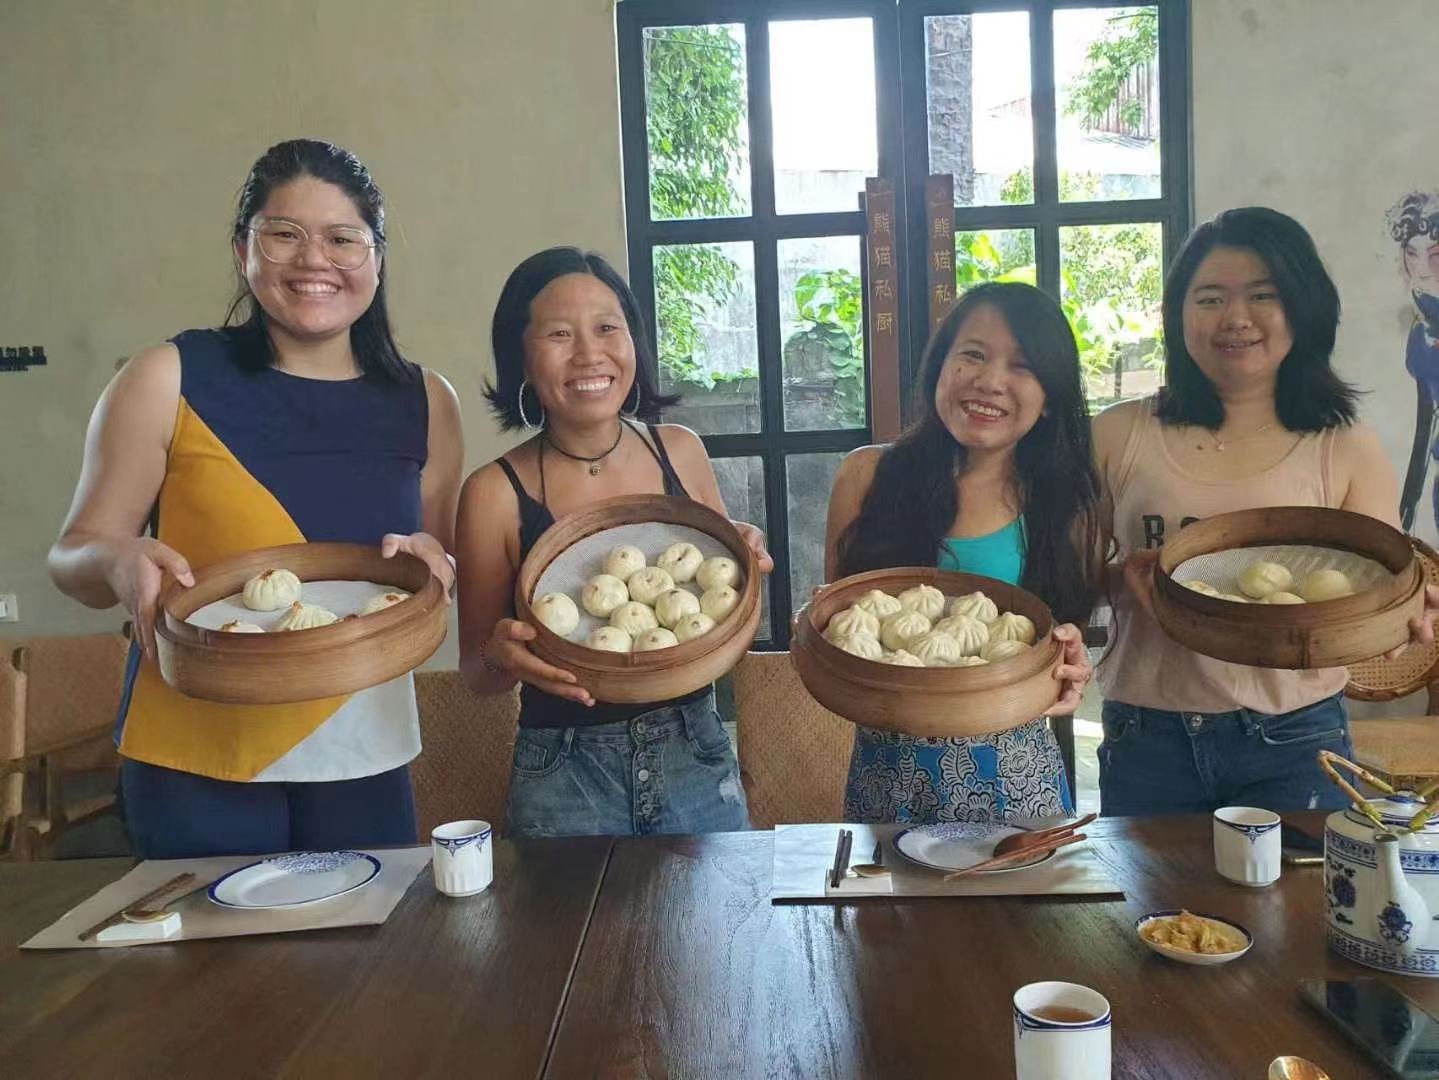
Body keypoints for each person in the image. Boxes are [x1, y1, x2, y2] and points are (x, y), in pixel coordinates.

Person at [49, 139, 463, 858]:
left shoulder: (427, 402)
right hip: (197, 747)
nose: (315, 261)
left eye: (343, 239)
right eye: (284, 235)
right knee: (212, 969)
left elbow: (433, 573)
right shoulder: (166, 376)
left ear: (376, 257)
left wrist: (437, 564)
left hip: (361, 746)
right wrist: (116, 559)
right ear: (243, 249)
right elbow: (71, 554)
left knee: (364, 967)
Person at [1094, 205, 1428, 815]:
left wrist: (1398, 617)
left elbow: (1382, 588)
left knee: (1301, 911)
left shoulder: (1346, 445)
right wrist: (1126, 578)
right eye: (1210, 298)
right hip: (1147, 733)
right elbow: (1060, 578)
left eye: (1262, 295)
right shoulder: (1118, 435)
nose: (1236, 319)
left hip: (1294, 735)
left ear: (1302, 307)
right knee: (1148, 911)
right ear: (1179, 313)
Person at [456, 246, 771, 839]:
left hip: (696, 747)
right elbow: (478, 672)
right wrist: (501, 650)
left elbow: (726, 614)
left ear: (633, 343)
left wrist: (745, 561)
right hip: (564, 767)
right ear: (521, 357)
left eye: (607, 328)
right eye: (558, 334)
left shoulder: (680, 452)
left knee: (715, 932)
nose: (588, 353)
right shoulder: (493, 494)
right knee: (564, 935)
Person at [825, 282, 1097, 824]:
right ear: (939, 368)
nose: (991, 381)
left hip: (1017, 775)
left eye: (1022, 366)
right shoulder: (867, 477)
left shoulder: (1065, 503)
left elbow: (1064, 633)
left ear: (1050, 399)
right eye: (972, 354)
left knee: (1020, 909)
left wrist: (1072, 660)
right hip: (889, 768)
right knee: (889, 910)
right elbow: (840, 624)